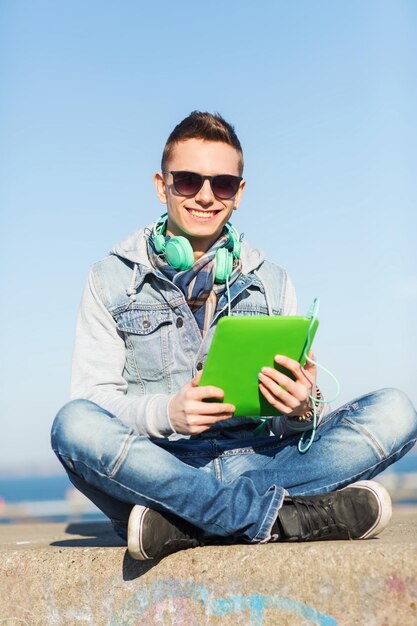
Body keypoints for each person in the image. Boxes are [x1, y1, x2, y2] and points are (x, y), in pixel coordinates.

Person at [51, 111, 417, 560]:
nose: (205, 196)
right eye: (187, 180)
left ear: (239, 193)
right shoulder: (108, 279)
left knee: (396, 411)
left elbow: (287, 424)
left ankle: (183, 523)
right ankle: (284, 520)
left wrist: (303, 408)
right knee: (72, 424)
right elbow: (94, 402)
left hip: (260, 461)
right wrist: (167, 413)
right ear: (160, 184)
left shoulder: (274, 281)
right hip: (161, 464)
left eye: (222, 184)